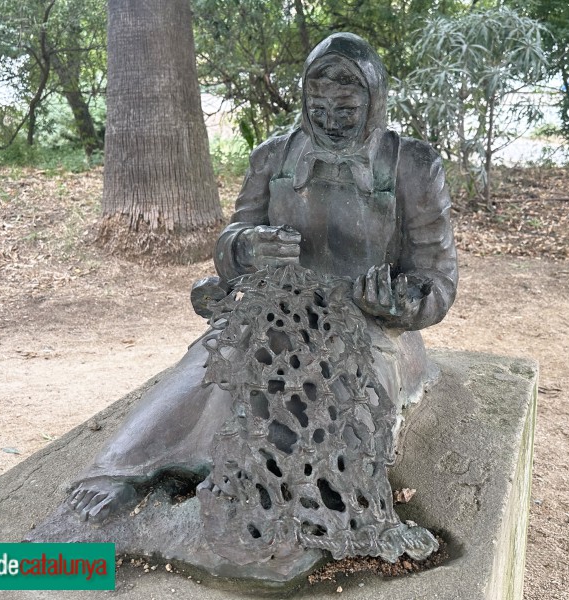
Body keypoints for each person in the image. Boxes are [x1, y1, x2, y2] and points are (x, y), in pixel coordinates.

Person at [68, 32, 457, 524]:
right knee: (212, 366)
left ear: (374, 104)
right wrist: (247, 247)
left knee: (338, 400)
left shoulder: (414, 166)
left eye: (346, 111)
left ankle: (303, 489)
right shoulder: (274, 157)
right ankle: (130, 470)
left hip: (372, 325)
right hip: (277, 307)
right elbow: (230, 241)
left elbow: (438, 277)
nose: (332, 124)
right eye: (319, 111)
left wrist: (400, 301)